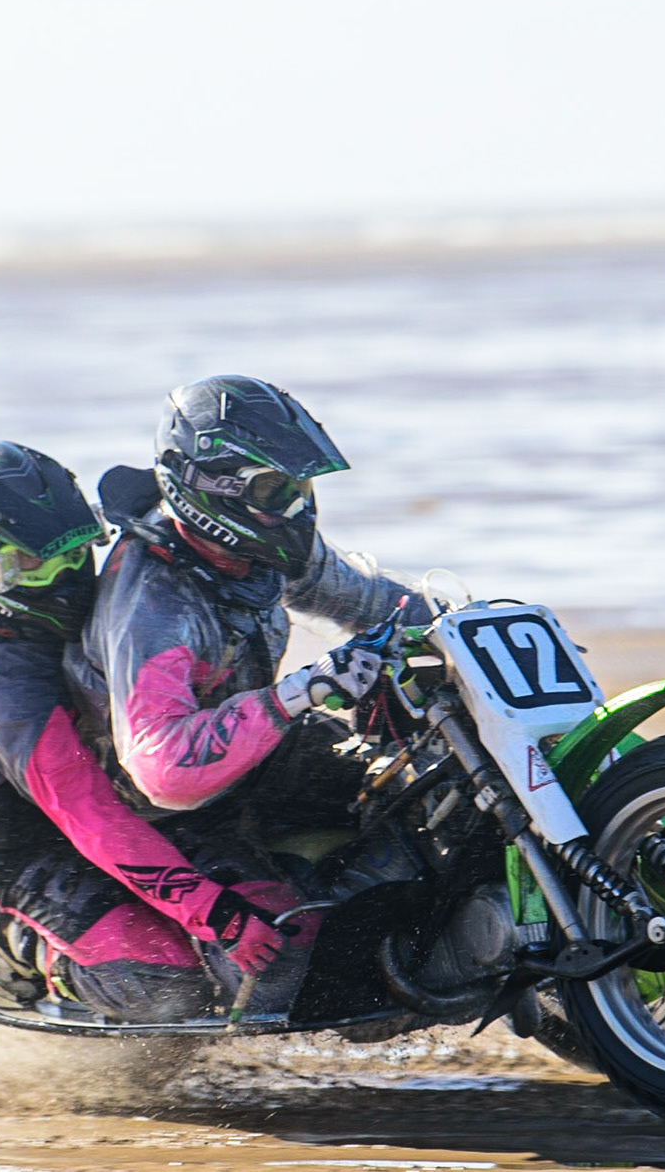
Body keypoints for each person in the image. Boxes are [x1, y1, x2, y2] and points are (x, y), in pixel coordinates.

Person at [67, 375, 432, 994]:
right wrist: (301, 691)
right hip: (166, 815)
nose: (298, 507)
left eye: (301, 487)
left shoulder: (255, 550)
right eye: (275, 489)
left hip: (260, 757)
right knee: (279, 969)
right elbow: (165, 770)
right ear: (212, 489)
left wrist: (464, 626)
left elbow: (373, 600)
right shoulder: (156, 606)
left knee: (426, 793)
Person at [0, 440, 287, 1023]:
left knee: (289, 938)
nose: (63, 577)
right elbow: (90, 814)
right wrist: (214, 913)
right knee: (164, 984)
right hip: (33, 844)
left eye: (76, 552)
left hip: (147, 801)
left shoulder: (124, 588)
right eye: (32, 564)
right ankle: (21, 954)